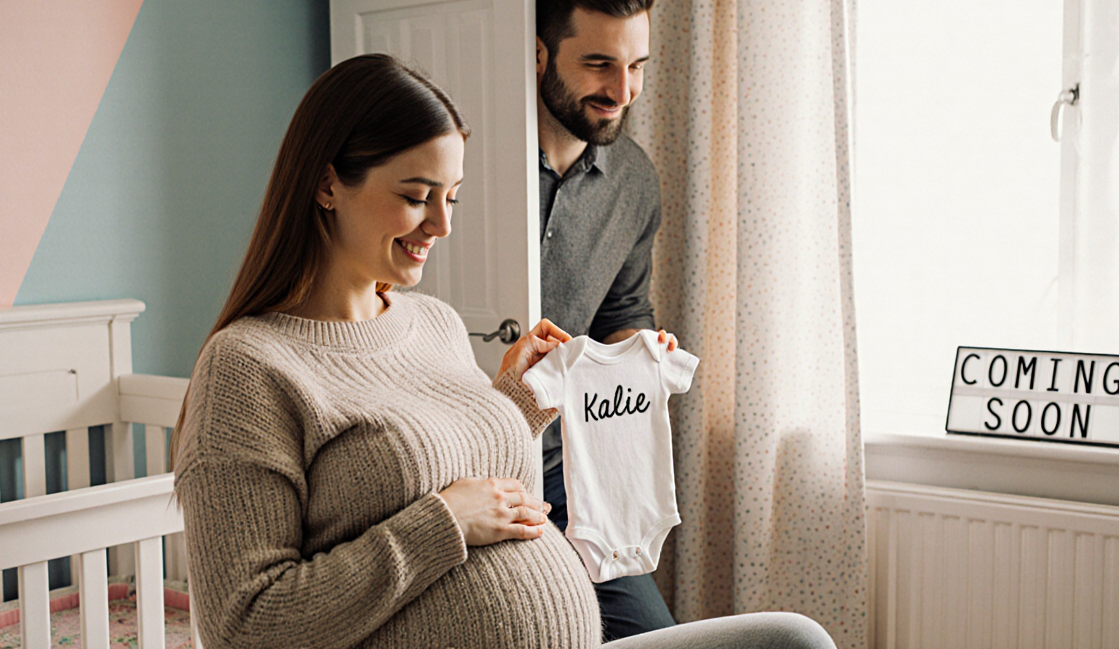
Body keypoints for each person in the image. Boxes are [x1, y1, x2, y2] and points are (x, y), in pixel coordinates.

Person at [171, 53, 837, 649]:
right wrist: (443, 523)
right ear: (326, 186)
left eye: (452, 197)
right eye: (415, 197)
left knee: (791, 640)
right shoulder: (249, 368)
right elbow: (247, 622)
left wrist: (520, 402)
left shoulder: (431, 323)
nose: (442, 225)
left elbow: (472, 481)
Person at [534, 0, 675, 639]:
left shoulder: (634, 181)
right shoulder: (468, 167)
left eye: (636, 66)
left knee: (650, 636)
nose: (623, 92)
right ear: (540, 55)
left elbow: (624, 309)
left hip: (572, 477)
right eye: (599, 64)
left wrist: (640, 351)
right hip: (463, 469)